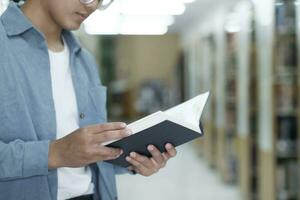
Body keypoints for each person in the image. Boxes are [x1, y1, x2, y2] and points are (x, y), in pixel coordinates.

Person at [0, 0, 177, 200]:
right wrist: (54, 153)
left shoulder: (85, 59)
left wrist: (133, 159)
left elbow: (91, 152)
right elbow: (64, 152)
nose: (93, 6)